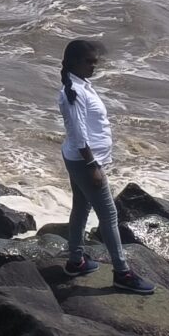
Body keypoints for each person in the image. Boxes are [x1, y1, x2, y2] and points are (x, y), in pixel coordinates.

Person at [58, 37, 154, 293]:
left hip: (77, 158)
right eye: (89, 62)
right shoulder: (74, 92)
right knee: (109, 215)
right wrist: (92, 165)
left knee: (81, 207)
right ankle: (122, 273)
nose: (94, 66)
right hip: (85, 162)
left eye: (95, 62)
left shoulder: (80, 85)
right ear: (74, 62)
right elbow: (78, 133)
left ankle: (75, 260)